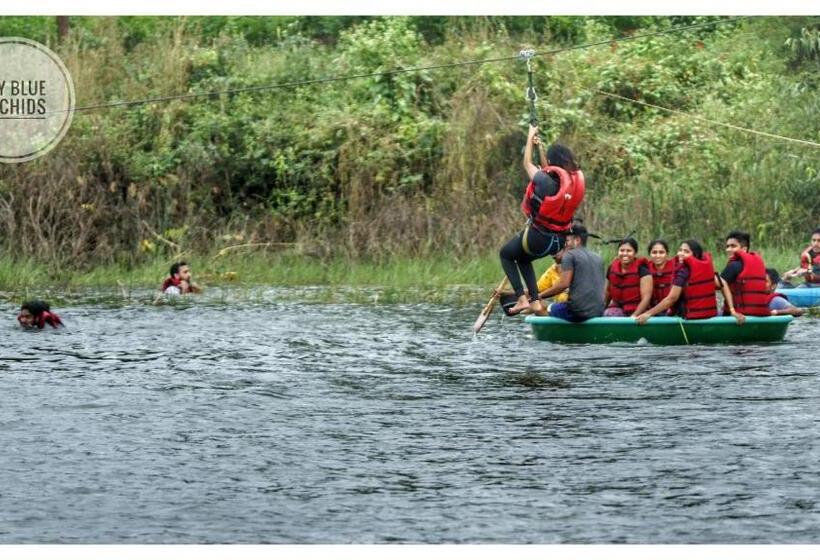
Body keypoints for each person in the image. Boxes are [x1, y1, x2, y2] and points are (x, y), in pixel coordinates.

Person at [501, 124, 585, 316]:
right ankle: (535, 301)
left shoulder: (545, 181)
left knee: (505, 254)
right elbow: (548, 169)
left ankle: (522, 299)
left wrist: (530, 137)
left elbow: (527, 163)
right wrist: (539, 146)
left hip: (538, 238)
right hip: (559, 241)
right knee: (523, 259)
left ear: (553, 161)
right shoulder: (570, 182)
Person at [635, 240, 745, 325]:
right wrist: (732, 310)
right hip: (707, 316)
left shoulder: (683, 272)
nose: (681, 254)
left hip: (687, 318)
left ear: (695, 255)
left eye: (686, 252)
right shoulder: (703, 270)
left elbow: (671, 299)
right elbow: (723, 284)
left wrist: (648, 314)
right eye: (680, 250)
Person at [539, 224, 605, 322]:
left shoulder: (569, 255)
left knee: (542, 308)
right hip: (599, 311)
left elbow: (563, 285)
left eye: (567, 241)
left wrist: (540, 296)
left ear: (577, 240)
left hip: (577, 312)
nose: (565, 244)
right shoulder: (598, 257)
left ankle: (553, 330)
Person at [499, 248, 569, 316]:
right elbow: (534, 291)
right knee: (538, 306)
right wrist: (507, 292)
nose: (554, 253)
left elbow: (562, 286)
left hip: (572, 306)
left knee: (536, 304)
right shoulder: (552, 270)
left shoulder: (574, 265)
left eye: (559, 249)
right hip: (561, 307)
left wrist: (538, 296)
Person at [719, 230, 770, 316]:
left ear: (744, 249)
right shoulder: (757, 263)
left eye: (733, 246)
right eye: (727, 246)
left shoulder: (734, 266)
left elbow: (715, 285)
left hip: (738, 316)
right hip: (760, 314)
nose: (728, 249)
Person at [603, 237, 652, 317]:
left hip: (637, 309)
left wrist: (633, 316)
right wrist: (601, 309)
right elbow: (608, 291)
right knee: (608, 314)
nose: (625, 254)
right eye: (622, 250)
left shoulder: (642, 270)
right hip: (618, 308)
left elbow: (646, 298)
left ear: (635, 253)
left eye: (629, 251)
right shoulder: (611, 268)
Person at [646, 239, 676, 308]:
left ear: (667, 253)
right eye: (654, 252)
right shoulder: (645, 269)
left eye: (661, 252)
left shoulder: (676, 267)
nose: (658, 255)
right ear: (649, 254)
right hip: (651, 308)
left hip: (673, 308)